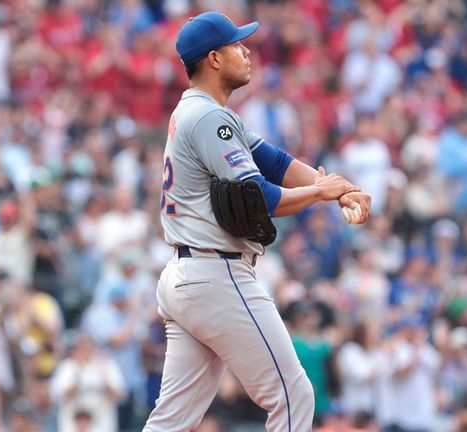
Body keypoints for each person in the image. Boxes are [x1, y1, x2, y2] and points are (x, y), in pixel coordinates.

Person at [144, 11, 371, 432]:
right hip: (216, 273)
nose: (246, 50)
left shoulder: (198, 111)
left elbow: (275, 163)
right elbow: (260, 195)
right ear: (214, 59)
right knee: (294, 396)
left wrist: (340, 189)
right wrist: (321, 193)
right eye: (235, 45)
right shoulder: (209, 117)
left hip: (186, 274)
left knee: (171, 423)